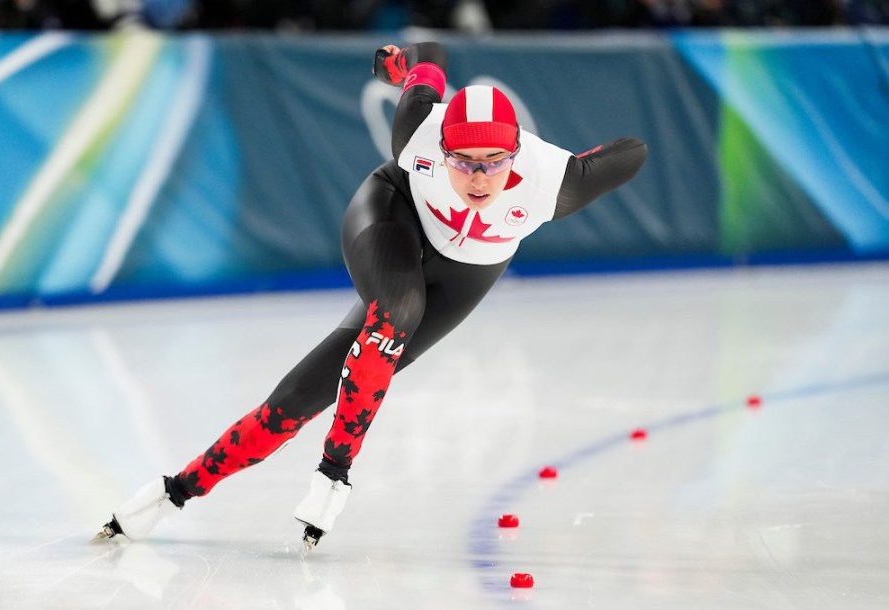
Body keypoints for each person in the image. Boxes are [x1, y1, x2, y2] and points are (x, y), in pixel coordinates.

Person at [95, 41, 648, 551]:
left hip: (468, 275)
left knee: (292, 405)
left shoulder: (555, 180)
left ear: (517, 156)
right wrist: (404, 63)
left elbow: (635, 151)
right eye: (464, 163)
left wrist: (577, 159)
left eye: (494, 164)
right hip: (392, 218)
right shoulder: (418, 130)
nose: (479, 179)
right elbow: (430, 57)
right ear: (442, 150)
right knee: (397, 312)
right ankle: (329, 473)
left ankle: (173, 492)